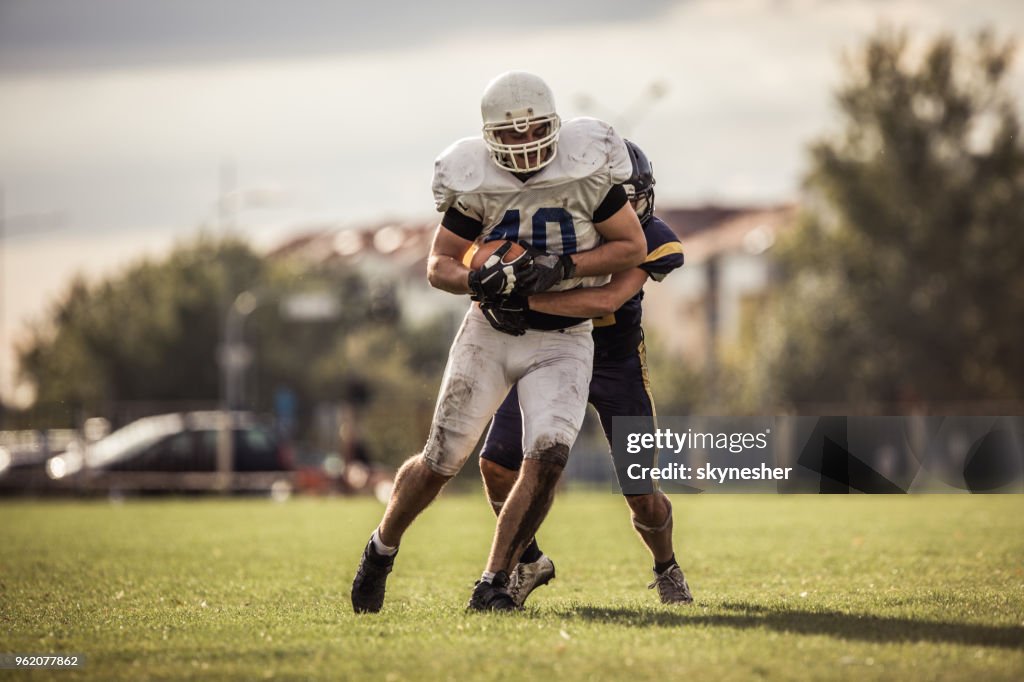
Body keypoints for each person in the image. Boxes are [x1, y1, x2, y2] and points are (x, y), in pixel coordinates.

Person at [351, 71, 646, 613]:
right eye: (509, 135)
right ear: (488, 137)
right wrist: (476, 279)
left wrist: (562, 266)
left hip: (562, 341)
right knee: (442, 459)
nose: (523, 143)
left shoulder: (585, 171)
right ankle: (380, 549)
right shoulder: (475, 179)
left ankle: (494, 582)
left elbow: (631, 245)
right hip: (490, 330)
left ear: (555, 125)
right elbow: (438, 265)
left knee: (550, 453)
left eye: (533, 129)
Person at [478, 140, 694, 607]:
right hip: (548, 355)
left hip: (614, 365)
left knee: (640, 489)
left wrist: (524, 301)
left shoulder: (651, 238)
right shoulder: (553, 226)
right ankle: (528, 561)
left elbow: (606, 300)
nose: (623, 209)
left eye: (630, 199)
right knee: (496, 466)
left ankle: (666, 566)